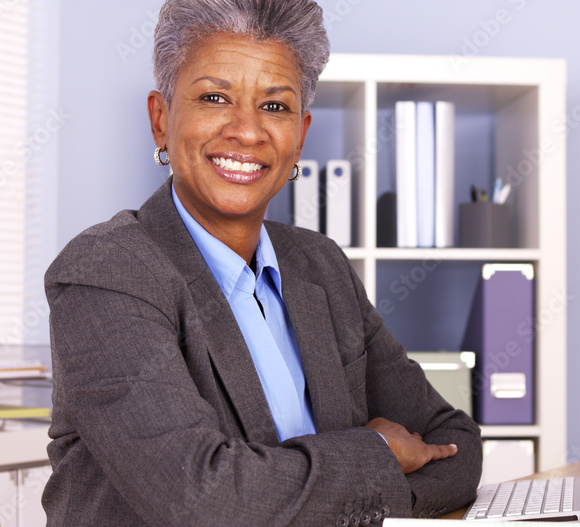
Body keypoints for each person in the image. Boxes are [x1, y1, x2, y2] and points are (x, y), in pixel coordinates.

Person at [42, 0, 482, 525]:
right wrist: (380, 455)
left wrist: (363, 499)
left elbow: (454, 445)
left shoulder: (320, 265)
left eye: (275, 107)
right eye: (214, 97)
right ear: (161, 120)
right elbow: (203, 500)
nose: (246, 131)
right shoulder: (107, 273)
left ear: (301, 135)